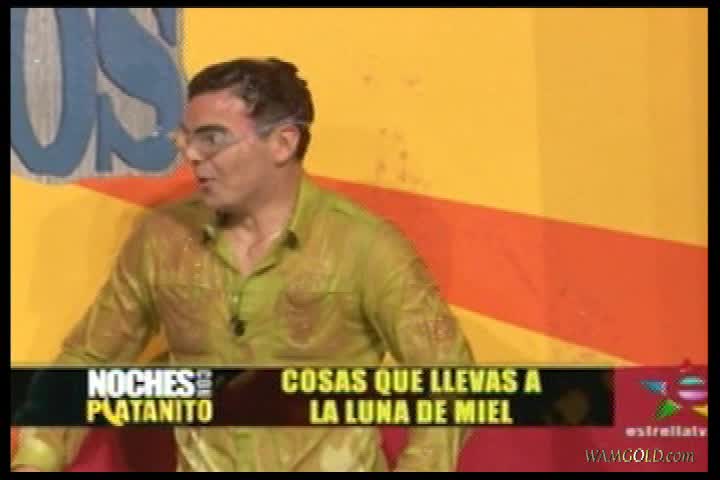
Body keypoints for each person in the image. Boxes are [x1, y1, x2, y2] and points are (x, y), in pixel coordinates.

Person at [11, 57, 475, 472]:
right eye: (187, 139)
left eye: (212, 139)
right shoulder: (161, 241)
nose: (192, 155)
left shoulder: (365, 247)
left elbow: (450, 380)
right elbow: (89, 361)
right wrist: (37, 458)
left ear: (282, 142)